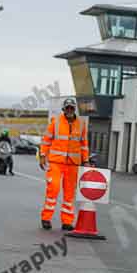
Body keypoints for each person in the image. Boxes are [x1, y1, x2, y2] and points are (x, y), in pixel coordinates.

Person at [39, 98, 89, 230]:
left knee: (69, 194)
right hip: (56, 162)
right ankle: (46, 218)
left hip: (73, 164)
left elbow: (84, 145)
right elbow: (46, 141)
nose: (69, 110)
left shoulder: (81, 124)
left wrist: (86, 160)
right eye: (67, 108)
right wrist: (43, 156)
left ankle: (67, 221)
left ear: (74, 109)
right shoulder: (55, 122)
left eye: (72, 108)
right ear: (63, 109)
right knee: (53, 189)